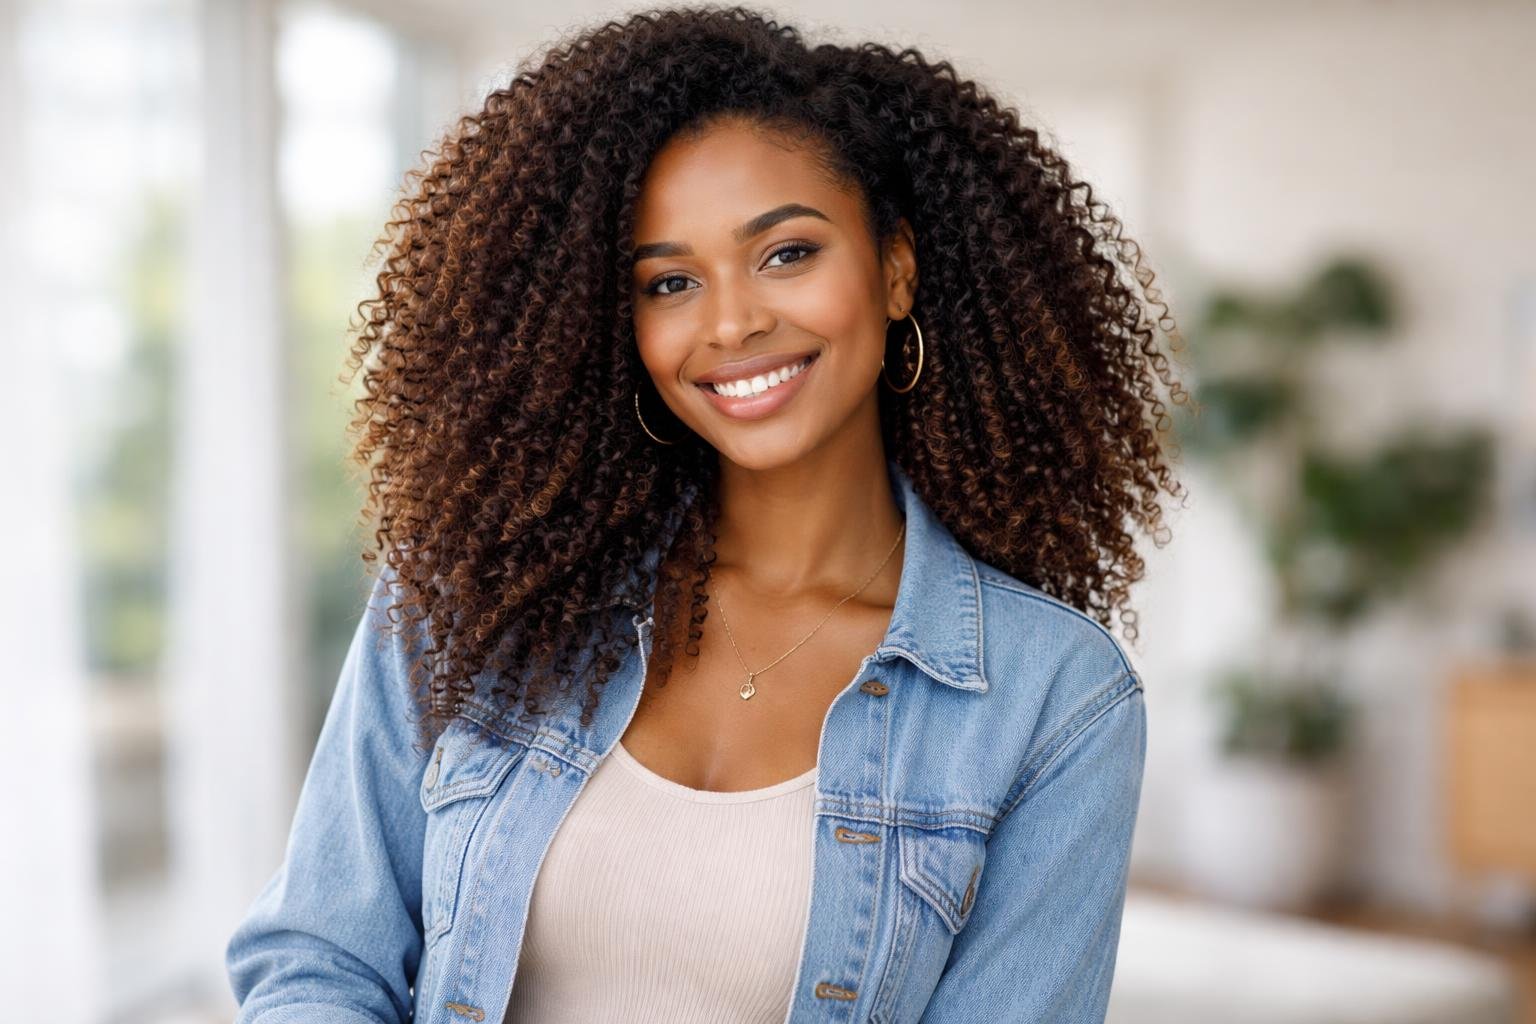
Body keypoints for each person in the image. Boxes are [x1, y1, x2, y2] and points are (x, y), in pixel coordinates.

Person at [226, 6, 1188, 1023]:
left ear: (895, 268)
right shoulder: (472, 589)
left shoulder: (1053, 700)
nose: (731, 321)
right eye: (671, 280)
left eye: (787, 254)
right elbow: (319, 960)